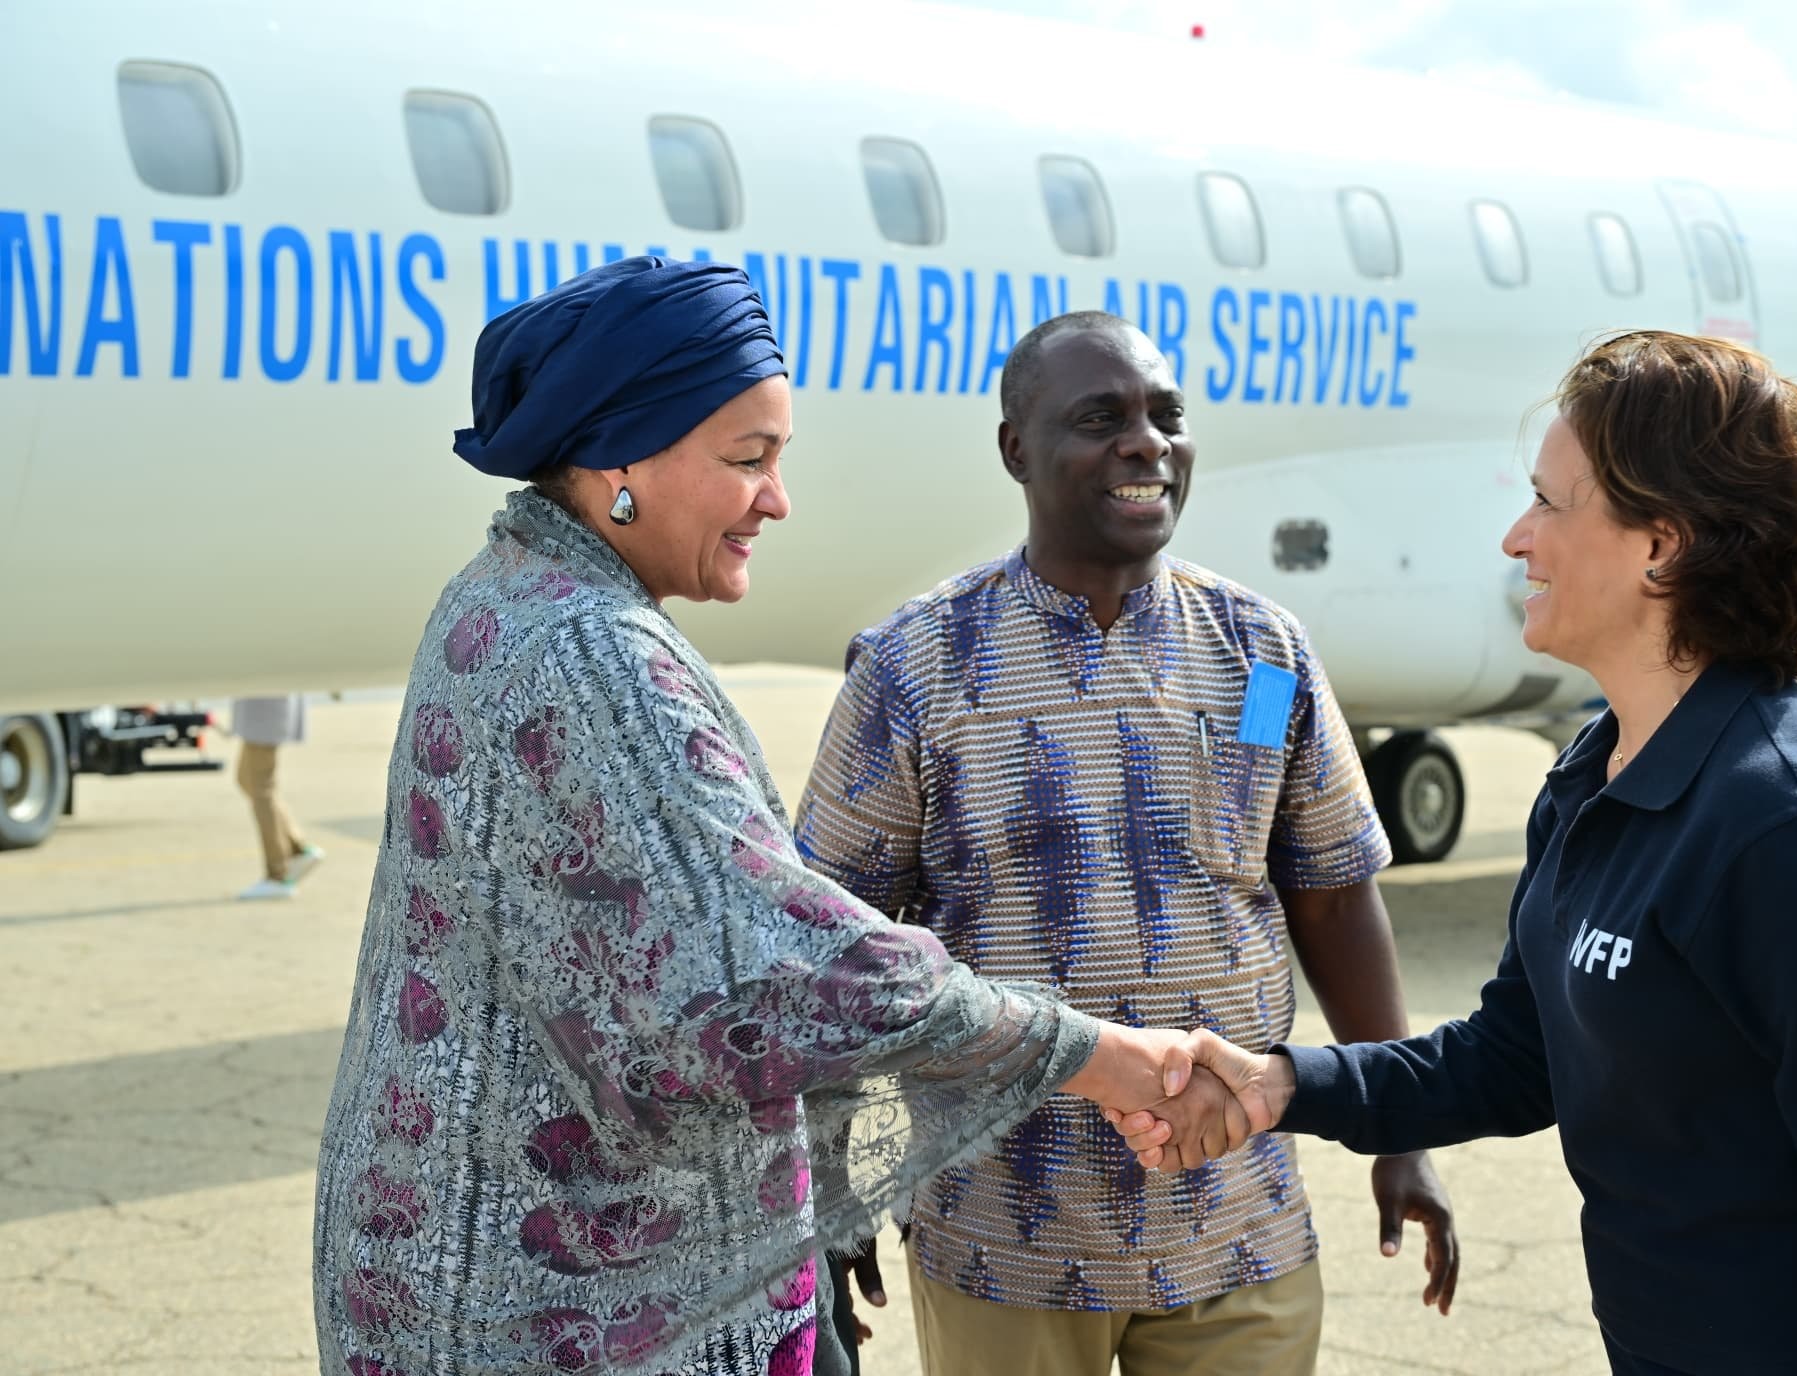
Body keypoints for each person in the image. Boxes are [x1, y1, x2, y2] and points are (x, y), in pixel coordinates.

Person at [310, 261, 1241, 1376]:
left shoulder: (506, 592)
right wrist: (1093, 1053)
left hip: (468, 1274)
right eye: (747, 460)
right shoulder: (595, 654)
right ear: (618, 462)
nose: (777, 497)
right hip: (577, 1315)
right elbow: (782, 968)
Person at [1113, 331, 1797, 1374]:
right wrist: (1282, 1084)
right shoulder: (1599, 770)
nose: (1517, 536)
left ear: (1661, 545)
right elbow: (1514, 1055)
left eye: (1549, 502)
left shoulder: (1789, 829)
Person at [792, 311, 1457, 1376]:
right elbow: (832, 949)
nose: (1147, 442)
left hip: (1238, 1227)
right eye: (1102, 417)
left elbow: (1334, 896)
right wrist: (830, 1187)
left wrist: (1400, 1126)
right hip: (1005, 1234)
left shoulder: (1265, 655)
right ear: (1016, 448)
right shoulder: (917, 668)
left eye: (1166, 416)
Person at [229, 693, 323, 900]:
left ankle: (278, 875)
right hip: (264, 706)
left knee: (261, 788)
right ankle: (296, 848)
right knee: (246, 779)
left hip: (265, 707)